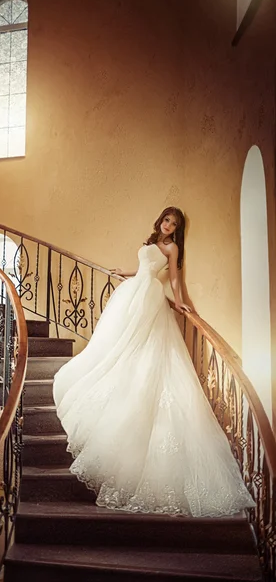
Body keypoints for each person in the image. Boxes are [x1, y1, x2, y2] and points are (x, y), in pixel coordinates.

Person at [53, 207, 255, 517]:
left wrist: (182, 300)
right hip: (133, 292)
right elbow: (145, 269)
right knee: (118, 345)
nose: (168, 226)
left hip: (149, 298)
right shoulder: (150, 242)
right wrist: (128, 271)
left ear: (176, 230)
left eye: (174, 224)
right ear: (160, 221)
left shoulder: (172, 249)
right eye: (166, 220)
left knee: (142, 345)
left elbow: (173, 278)